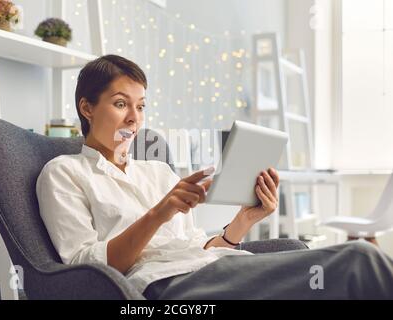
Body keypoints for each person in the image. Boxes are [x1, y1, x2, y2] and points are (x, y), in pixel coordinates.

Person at [36, 54, 393, 299]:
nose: (134, 118)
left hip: (213, 268)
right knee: (358, 259)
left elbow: (195, 247)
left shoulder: (158, 171)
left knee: (347, 268)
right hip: (166, 287)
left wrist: (243, 221)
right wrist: (158, 214)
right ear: (87, 107)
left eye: (141, 105)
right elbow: (86, 270)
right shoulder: (64, 174)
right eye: (120, 103)